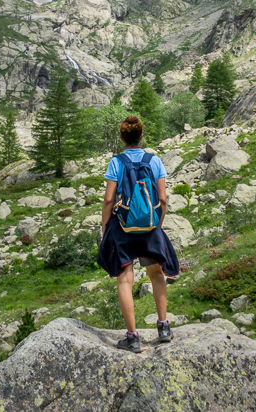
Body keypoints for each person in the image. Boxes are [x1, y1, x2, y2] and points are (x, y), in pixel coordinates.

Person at [97, 115, 180, 352]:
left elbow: (109, 199)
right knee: (156, 273)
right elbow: (163, 198)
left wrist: (105, 227)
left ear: (122, 138)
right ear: (141, 136)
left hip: (123, 228)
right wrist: (157, 224)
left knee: (125, 278)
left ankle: (133, 337)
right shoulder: (154, 161)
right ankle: (163, 327)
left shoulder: (116, 162)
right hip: (150, 227)